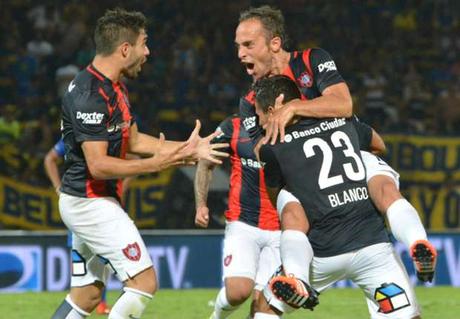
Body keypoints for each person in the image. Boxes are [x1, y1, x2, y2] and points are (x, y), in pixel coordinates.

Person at [235, 5, 436, 283]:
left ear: (275, 43)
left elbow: (343, 104)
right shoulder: (250, 102)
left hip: (345, 152)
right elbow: (264, 153)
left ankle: (418, 244)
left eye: (248, 45)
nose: (240, 54)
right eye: (238, 46)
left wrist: (294, 108)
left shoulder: (312, 60)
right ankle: (296, 279)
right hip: (304, 171)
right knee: (299, 205)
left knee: (378, 179)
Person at [51, 8, 228, 319]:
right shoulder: (89, 95)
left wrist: (190, 149)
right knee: (143, 282)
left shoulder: (114, 87)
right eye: (144, 43)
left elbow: (134, 142)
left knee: (88, 295)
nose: (147, 52)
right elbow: (98, 165)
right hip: (89, 203)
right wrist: (156, 165)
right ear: (124, 49)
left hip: (91, 200)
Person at [254, 75, 422, 319]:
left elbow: (274, 197)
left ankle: (296, 276)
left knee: (265, 306)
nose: (259, 123)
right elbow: (379, 145)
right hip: (373, 244)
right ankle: (416, 237)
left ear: (273, 109)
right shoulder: (342, 121)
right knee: (405, 315)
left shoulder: (272, 147)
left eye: (260, 115)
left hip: (322, 251)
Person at [194, 115, 280, 319]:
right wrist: (201, 205)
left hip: (282, 227)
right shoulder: (232, 127)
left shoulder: (296, 127)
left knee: (265, 305)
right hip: (243, 222)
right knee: (238, 292)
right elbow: (206, 162)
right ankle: (216, 316)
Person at [45, 138, 113, 315]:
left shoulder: (105, 137)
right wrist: (57, 188)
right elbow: (49, 158)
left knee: (102, 256)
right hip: (80, 203)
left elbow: (132, 159)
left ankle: (98, 301)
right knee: (82, 258)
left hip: (100, 203)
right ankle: (81, 299)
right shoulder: (74, 137)